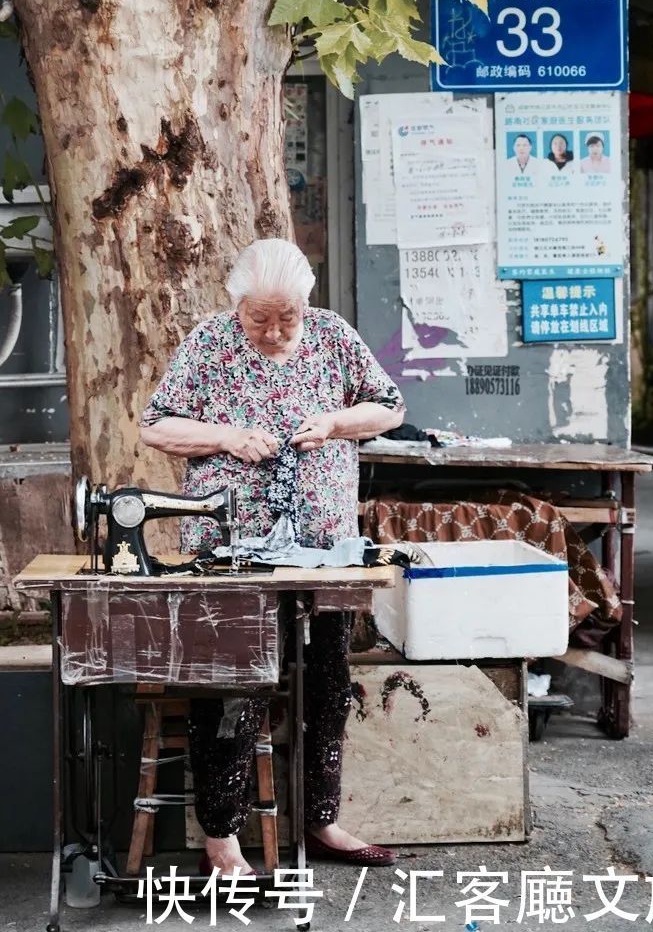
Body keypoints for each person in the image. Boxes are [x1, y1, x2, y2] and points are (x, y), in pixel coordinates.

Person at [140, 238, 405, 874]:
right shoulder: (210, 343)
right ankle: (222, 838)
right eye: (260, 317)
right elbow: (155, 425)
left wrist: (335, 423)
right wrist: (227, 437)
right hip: (230, 549)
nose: (275, 331)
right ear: (237, 305)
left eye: (288, 317)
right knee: (233, 686)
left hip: (324, 547)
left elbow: (390, 408)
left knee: (328, 682)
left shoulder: (332, 336)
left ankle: (322, 820)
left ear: (306, 304)